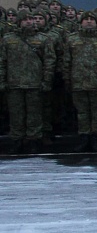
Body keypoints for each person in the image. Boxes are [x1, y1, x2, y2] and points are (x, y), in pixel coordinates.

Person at [1, 10, 55, 154]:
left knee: (34, 114)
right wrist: (2, 80)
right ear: (18, 22)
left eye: (31, 19)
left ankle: (33, 140)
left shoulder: (43, 39)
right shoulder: (8, 39)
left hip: (34, 83)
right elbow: (2, 61)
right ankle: (17, 140)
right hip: (14, 83)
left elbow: (49, 62)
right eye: (25, 19)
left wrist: (46, 81)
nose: (29, 21)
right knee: (16, 114)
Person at [62, 11, 97, 152]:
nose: (89, 22)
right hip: (78, 82)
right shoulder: (72, 39)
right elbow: (66, 62)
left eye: (92, 19)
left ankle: (96, 137)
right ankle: (84, 137)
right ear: (81, 22)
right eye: (86, 19)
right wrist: (67, 79)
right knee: (82, 112)